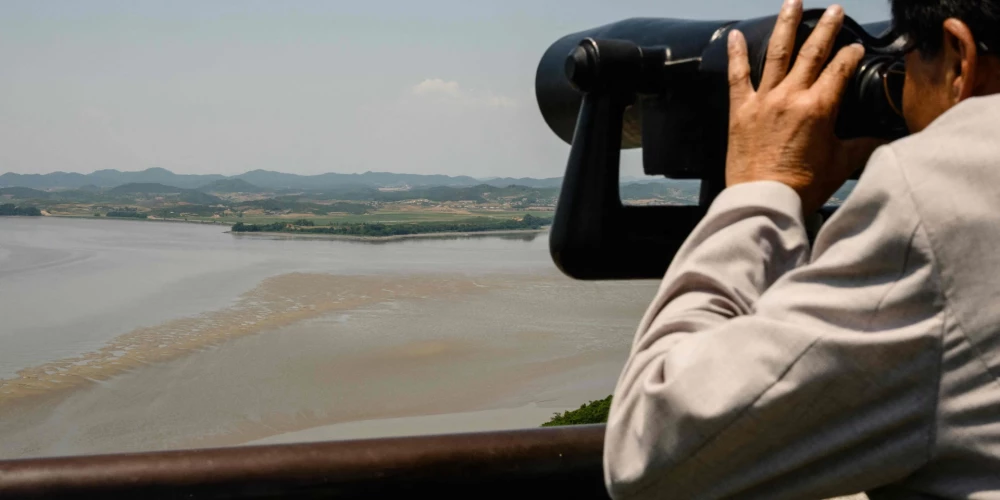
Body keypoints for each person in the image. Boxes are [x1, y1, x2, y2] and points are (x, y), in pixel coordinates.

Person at [603, 0, 1000, 498]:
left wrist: (759, 190)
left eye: (912, 55)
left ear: (959, 59)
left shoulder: (945, 187)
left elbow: (649, 454)